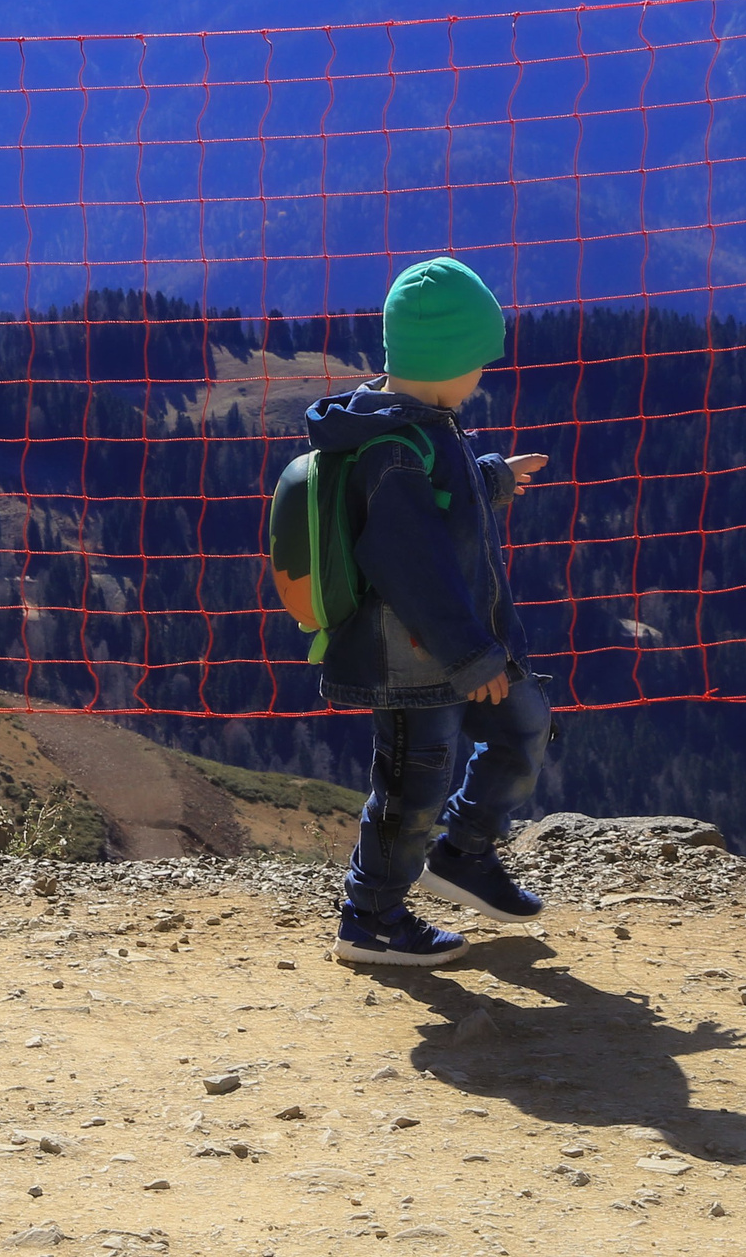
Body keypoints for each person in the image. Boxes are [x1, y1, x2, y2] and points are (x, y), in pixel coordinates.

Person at [304, 256, 551, 967]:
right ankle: (371, 915)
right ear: (446, 363)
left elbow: (447, 492)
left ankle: (464, 854)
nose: (481, 377)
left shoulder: (421, 427)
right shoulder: (394, 447)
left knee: (525, 725)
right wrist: (471, 655)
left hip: (462, 647)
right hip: (414, 660)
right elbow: (410, 561)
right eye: (477, 361)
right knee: (414, 784)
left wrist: (494, 477)